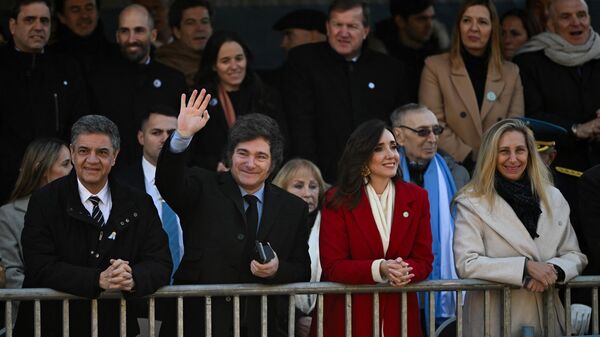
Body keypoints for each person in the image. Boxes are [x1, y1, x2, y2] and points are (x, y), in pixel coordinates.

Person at [155, 90, 310, 337]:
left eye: (260, 156)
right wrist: (182, 137)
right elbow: (167, 182)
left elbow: (302, 269)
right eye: (243, 153)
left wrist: (277, 269)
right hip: (201, 324)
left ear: (273, 163)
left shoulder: (294, 208)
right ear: (230, 155)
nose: (250, 163)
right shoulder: (202, 185)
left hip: (262, 326)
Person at [14, 115, 172, 337]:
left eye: (102, 152)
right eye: (84, 151)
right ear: (72, 152)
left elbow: (161, 262)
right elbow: (39, 264)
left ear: (115, 156)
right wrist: (97, 280)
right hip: (53, 326)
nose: (92, 160)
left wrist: (132, 277)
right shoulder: (45, 200)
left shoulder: (139, 203)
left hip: (115, 326)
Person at [453, 118, 587, 337]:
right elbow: (467, 262)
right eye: (504, 151)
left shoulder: (553, 197)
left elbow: (574, 255)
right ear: (490, 156)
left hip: (547, 316)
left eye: (520, 150)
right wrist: (525, 268)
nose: (513, 159)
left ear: (530, 154)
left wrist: (553, 269)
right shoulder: (472, 201)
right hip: (493, 320)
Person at [319, 119, 433, 337]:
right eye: (379, 149)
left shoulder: (417, 197)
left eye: (393, 147)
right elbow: (333, 265)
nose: (391, 154)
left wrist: (403, 270)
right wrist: (380, 268)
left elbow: (425, 260)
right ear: (362, 156)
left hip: (399, 318)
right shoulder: (337, 199)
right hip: (348, 317)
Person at [283, 0, 408, 183]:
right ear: (327, 27)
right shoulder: (303, 62)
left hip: (377, 178)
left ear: (365, 31)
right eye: (337, 25)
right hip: (322, 177)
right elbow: (299, 123)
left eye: (352, 26)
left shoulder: (389, 69)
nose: (343, 33)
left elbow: (399, 126)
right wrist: (312, 176)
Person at [419, 0, 524, 171]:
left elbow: (515, 126)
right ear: (458, 26)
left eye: (482, 22)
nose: (473, 28)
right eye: (467, 20)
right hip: (452, 166)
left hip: (499, 167)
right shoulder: (435, 67)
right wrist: (470, 157)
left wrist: (495, 159)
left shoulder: (511, 72)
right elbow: (433, 124)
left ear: (493, 30)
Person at [0, 0, 88, 203]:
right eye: (29, 20)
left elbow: (80, 123)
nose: (38, 27)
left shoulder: (66, 67)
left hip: (56, 179)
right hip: (6, 182)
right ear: (13, 26)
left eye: (44, 21)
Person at [390, 103, 467, 328]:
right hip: (396, 288)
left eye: (436, 130)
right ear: (399, 136)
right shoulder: (381, 177)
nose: (433, 138)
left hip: (443, 290)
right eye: (423, 131)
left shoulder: (457, 175)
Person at [512, 0, 600, 186]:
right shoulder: (528, 62)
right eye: (565, 17)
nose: (576, 22)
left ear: (589, 18)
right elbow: (531, 116)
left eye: (581, 15)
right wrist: (576, 129)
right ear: (550, 24)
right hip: (556, 172)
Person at [88, 4, 186, 169]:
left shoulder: (173, 80)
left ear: (153, 35)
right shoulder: (99, 80)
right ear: (117, 36)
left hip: (163, 174)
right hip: (113, 174)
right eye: (125, 31)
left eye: (139, 30)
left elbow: (185, 133)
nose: (131, 38)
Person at [0, 138, 72, 328]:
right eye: (65, 164)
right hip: (33, 321)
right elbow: (12, 275)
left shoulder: (81, 210)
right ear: (42, 169)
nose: (73, 170)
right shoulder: (9, 215)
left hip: (77, 318)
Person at [189, 30, 284, 171]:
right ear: (214, 66)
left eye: (239, 58)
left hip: (260, 176)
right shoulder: (200, 100)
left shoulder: (266, 96)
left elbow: (281, 142)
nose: (234, 66)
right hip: (216, 180)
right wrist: (214, 165)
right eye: (225, 61)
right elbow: (189, 151)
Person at [115, 106, 183, 280]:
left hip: (189, 290)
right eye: (156, 132)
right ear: (141, 137)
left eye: (171, 132)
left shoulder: (195, 181)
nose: (165, 139)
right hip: (139, 286)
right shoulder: (119, 184)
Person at [272, 159, 328, 337]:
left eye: (313, 186)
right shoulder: (272, 226)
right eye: (298, 186)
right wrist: (295, 318)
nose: (307, 193)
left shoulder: (331, 225)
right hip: (280, 324)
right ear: (282, 188)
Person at [374, 0, 448, 101]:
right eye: (421, 19)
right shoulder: (383, 57)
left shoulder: (438, 52)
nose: (429, 25)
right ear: (400, 21)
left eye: (432, 18)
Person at [51, 0, 118, 76]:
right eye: (75, 10)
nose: (84, 15)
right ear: (61, 17)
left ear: (98, 13)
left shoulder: (118, 56)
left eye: (89, 8)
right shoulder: (49, 60)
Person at [156, 0, 213, 88]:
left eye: (204, 21)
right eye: (190, 23)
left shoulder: (220, 62)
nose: (200, 28)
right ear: (177, 32)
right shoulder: (164, 67)